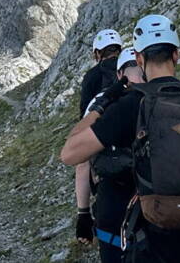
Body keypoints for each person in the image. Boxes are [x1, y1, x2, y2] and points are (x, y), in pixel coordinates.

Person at [60, 15, 180, 263]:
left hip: (152, 243)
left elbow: (70, 154)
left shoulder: (130, 105)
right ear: (176, 55)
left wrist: (103, 103)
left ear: (140, 59)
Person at [79, 46, 145, 262]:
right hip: (163, 201)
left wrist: (83, 214)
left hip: (113, 204)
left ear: (118, 74)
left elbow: (79, 160)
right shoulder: (170, 97)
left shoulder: (105, 103)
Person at [75, 29, 124, 243]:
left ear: (97, 54)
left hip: (108, 175)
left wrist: (83, 214)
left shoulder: (93, 77)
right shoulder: (136, 72)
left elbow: (83, 132)